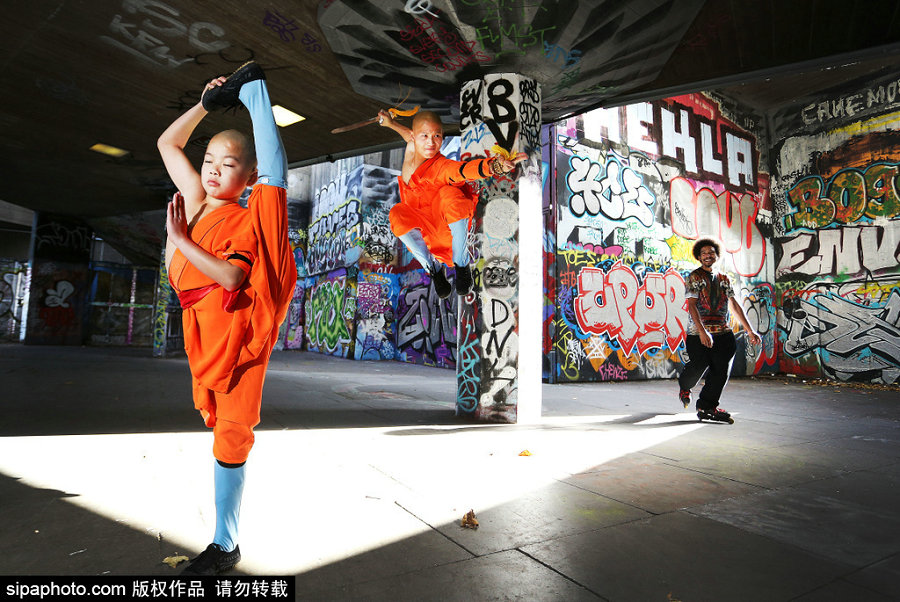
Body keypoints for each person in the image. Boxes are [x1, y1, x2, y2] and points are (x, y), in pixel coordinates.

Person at [157, 61, 296, 574]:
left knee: (232, 433)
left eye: (229, 163)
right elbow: (168, 144)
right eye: (209, 160)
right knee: (221, 430)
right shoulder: (196, 200)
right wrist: (204, 105)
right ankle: (225, 540)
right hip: (202, 330)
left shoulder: (242, 217)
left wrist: (181, 241)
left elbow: (234, 278)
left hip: (238, 332)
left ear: (248, 176)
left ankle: (225, 543)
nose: (214, 170)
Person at [378, 109, 526, 297]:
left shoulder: (442, 167)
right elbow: (409, 135)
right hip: (423, 230)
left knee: (450, 194)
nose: (431, 143)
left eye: (437, 136)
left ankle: (462, 266)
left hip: (445, 231)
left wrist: (495, 166)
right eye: (425, 136)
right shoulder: (412, 147)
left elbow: (464, 170)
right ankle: (433, 269)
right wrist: (390, 123)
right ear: (415, 137)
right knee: (397, 214)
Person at [677, 238, 760, 422]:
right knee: (697, 367)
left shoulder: (724, 278)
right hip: (698, 334)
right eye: (704, 253)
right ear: (699, 257)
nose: (708, 255)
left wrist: (750, 330)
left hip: (723, 333)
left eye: (711, 252)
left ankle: (707, 407)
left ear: (716, 255)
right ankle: (685, 386)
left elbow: (734, 305)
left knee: (721, 371)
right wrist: (702, 331)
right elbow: (692, 305)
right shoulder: (694, 277)